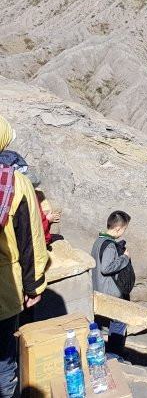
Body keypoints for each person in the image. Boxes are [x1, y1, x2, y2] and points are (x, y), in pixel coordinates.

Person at [0, 114, 48, 398]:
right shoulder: (15, 184)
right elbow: (30, 240)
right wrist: (34, 286)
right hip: (4, 292)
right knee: (4, 361)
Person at [90, 210, 133, 360]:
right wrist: (124, 258)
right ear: (118, 228)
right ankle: (114, 355)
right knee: (119, 321)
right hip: (108, 291)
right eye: (124, 229)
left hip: (98, 287)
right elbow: (106, 268)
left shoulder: (99, 241)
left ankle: (117, 350)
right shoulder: (109, 245)